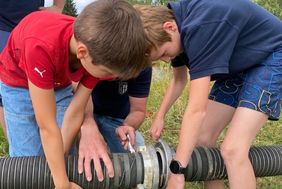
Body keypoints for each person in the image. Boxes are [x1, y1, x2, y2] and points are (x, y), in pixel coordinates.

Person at [0, 0, 149, 188]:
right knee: (28, 159)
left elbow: (75, 112)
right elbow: (47, 126)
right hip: (18, 83)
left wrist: (58, 169)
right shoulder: (41, 46)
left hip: (59, 81)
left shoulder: (96, 49)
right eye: (108, 73)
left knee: (64, 152)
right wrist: (63, 185)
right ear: (82, 52)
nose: (112, 78)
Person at [134, 1, 282, 189]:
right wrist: (160, 116)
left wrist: (177, 170)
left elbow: (197, 109)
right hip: (239, 63)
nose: (166, 59)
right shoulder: (174, 30)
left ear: (169, 28)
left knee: (233, 149)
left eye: (163, 53)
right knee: (202, 141)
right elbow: (179, 80)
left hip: (272, 54)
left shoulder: (200, 27)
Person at [0, 0, 66, 136]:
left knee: (47, 79)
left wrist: (58, 7)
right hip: (3, 26)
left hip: (36, 22)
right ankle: (20, 148)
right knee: (7, 87)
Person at [77, 67, 152, 181]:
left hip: (116, 120)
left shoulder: (143, 66)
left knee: (140, 158)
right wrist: (87, 124)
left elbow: (138, 110)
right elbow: (73, 90)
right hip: (81, 114)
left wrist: (127, 125)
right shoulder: (91, 56)